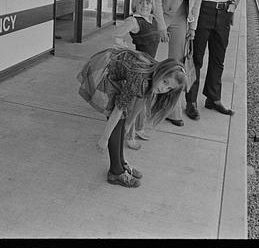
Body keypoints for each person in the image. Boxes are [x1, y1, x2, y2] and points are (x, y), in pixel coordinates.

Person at [77, 48, 187, 188]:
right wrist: (104, 138)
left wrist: (129, 123)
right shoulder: (139, 77)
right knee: (117, 119)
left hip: (115, 70)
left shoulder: (152, 76)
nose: (163, 89)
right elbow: (118, 109)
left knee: (123, 118)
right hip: (102, 69)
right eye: (165, 82)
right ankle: (116, 172)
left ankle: (121, 164)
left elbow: (142, 98)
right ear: (161, 71)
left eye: (169, 88)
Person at [152, 0, 206, 126]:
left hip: (182, 19)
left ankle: (170, 109)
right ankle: (140, 101)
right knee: (147, 58)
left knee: (175, 65)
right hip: (162, 15)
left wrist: (193, 26)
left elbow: (197, 1)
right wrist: (160, 26)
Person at [112, 0, 160, 148]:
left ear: (152, 5)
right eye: (140, 2)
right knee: (133, 101)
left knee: (144, 99)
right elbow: (117, 36)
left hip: (150, 65)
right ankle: (128, 134)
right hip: (139, 67)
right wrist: (130, 51)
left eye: (148, 2)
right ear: (135, 4)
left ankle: (139, 128)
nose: (144, 5)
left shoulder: (152, 19)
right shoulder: (134, 21)